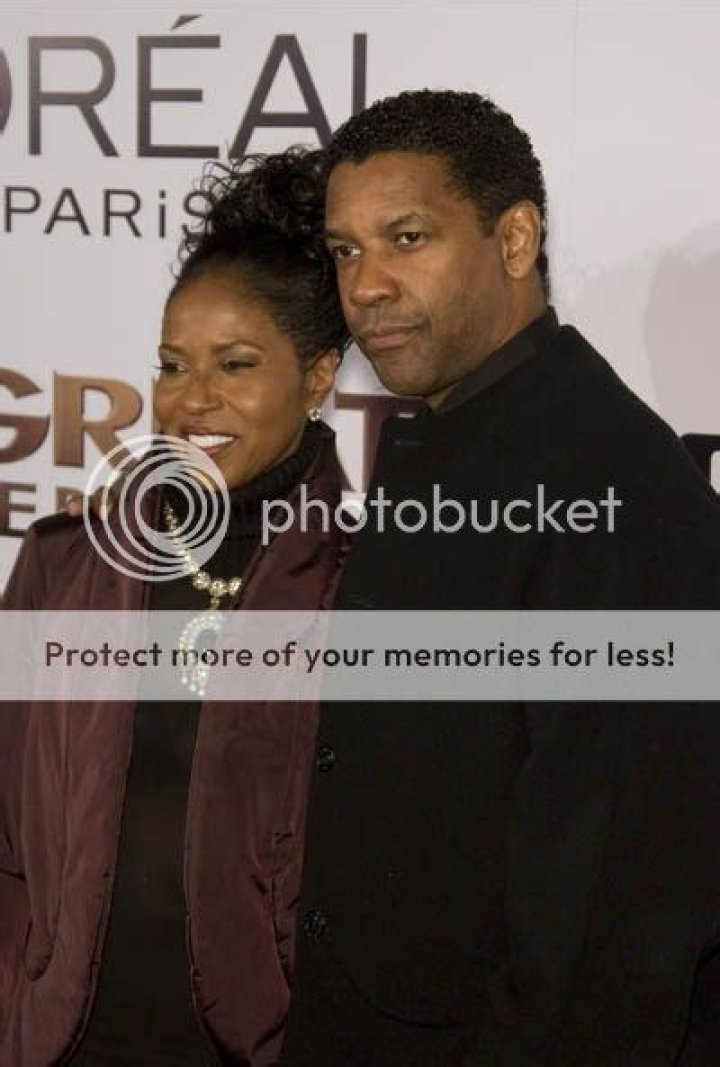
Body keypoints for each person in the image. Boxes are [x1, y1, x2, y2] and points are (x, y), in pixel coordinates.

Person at [274, 91, 720, 1064]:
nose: (367, 286)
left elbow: (610, 918)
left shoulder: (610, 485)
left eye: (407, 238)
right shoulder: (454, 432)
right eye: (346, 250)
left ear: (514, 239)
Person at [0, 148, 350, 1065]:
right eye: (171, 364)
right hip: (60, 1039)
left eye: (236, 364)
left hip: (261, 1044)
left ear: (318, 376)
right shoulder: (63, 565)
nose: (193, 399)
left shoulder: (366, 587)